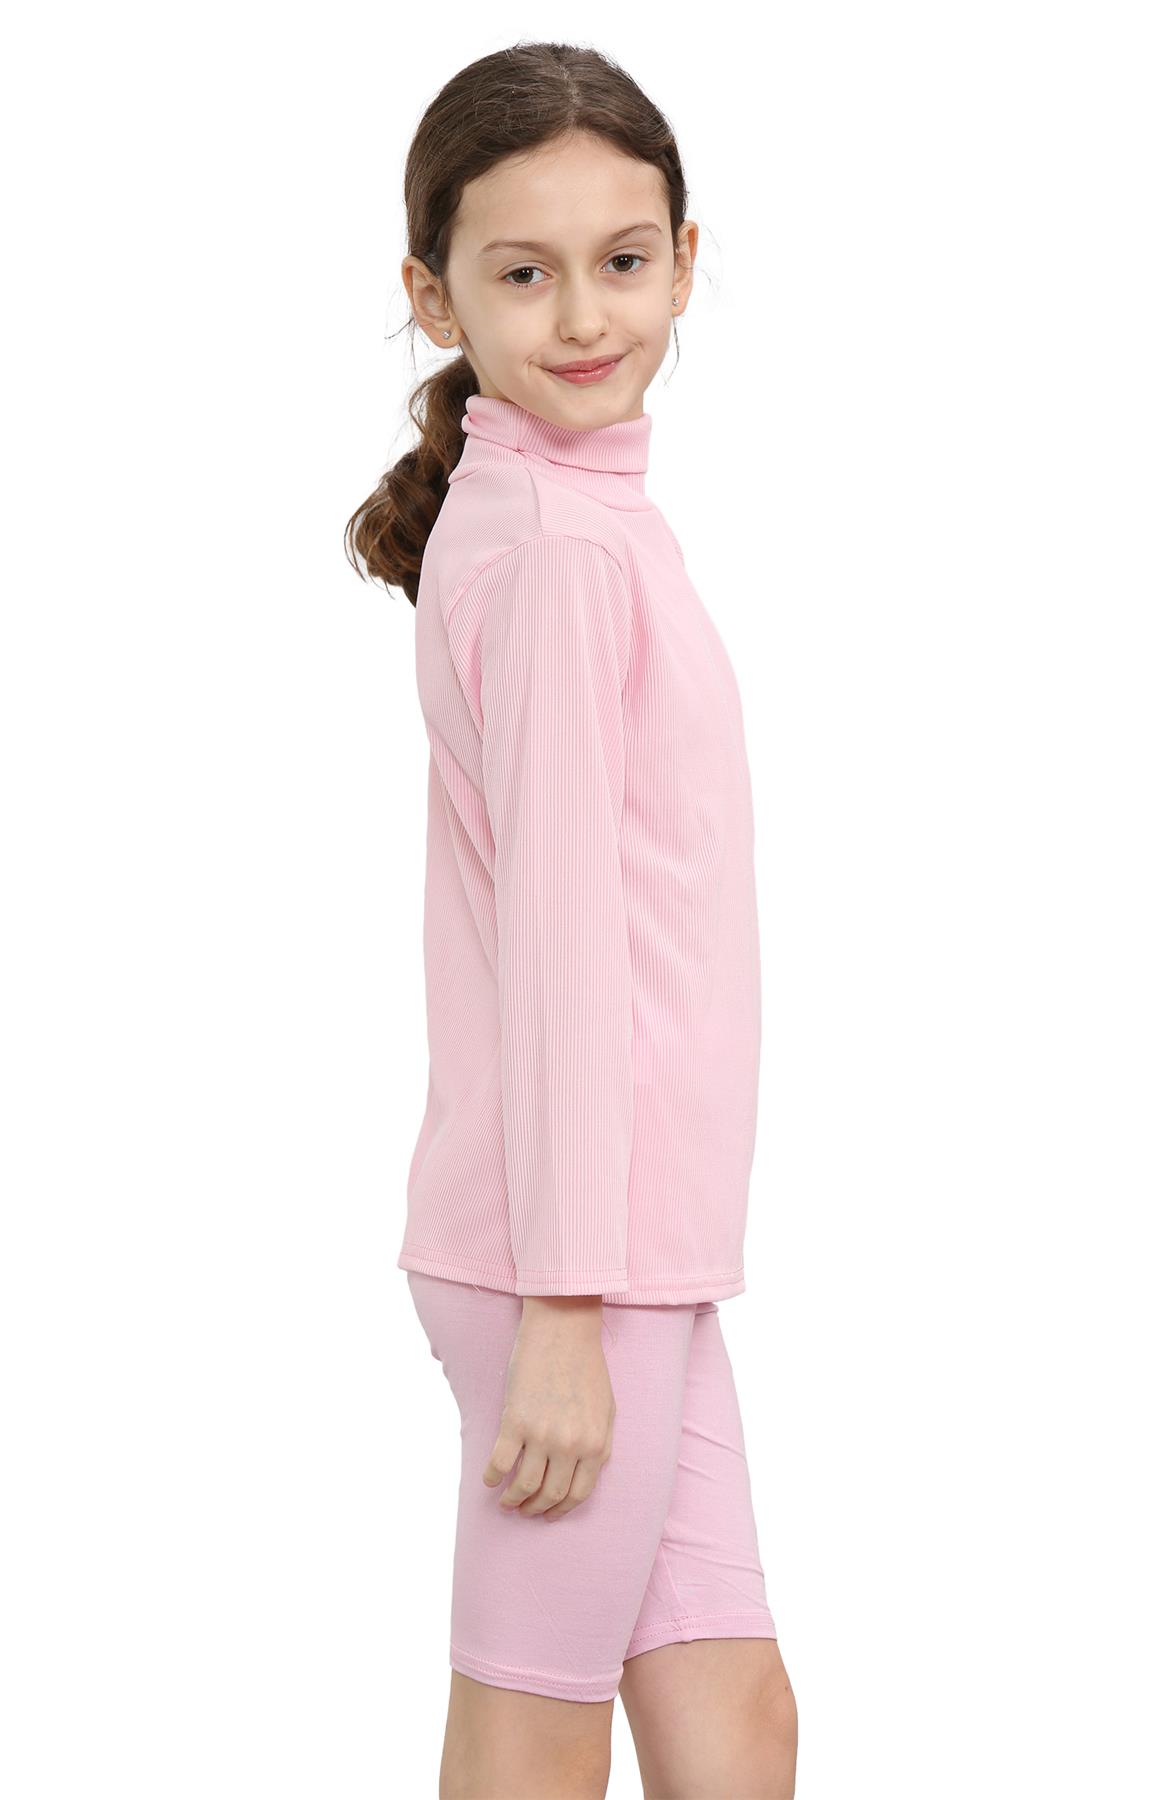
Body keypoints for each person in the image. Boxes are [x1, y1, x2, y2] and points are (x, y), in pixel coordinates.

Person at [346, 41, 798, 1800]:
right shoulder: (551, 546)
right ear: (434, 296)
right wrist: (563, 1312)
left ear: (686, 259)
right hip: (570, 1261)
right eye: (522, 274)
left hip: (628, 1251)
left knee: (735, 1724)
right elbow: (560, 952)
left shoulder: (576, 516)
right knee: (534, 1739)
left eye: (622, 259)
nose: (586, 315)